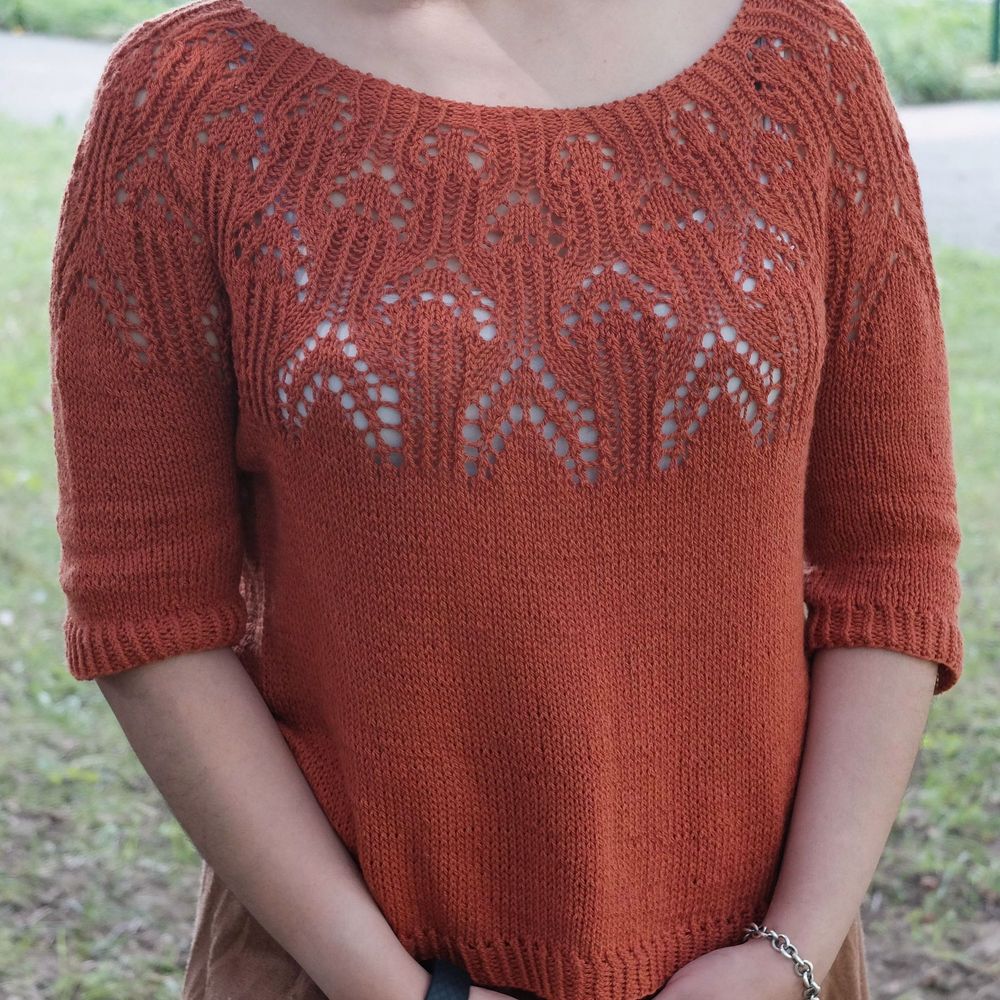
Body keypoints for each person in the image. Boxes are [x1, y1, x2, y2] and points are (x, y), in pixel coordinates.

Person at [47, 0, 964, 997]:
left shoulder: (800, 63)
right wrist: (402, 990)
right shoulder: (189, 97)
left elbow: (890, 563)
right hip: (347, 966)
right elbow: (148, 609)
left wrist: (788, 953)